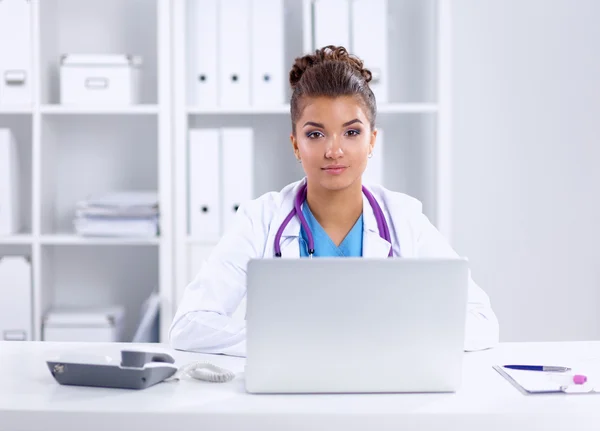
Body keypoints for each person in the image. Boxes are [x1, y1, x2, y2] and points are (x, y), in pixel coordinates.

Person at [170, 45, 499, 356]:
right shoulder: (260, 219)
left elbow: (482, 322)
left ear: (372, 140)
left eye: (352, 132)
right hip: (287, 398)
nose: (334, 150)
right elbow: (188, 325)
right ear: (296, 145)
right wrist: (292, 343)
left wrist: (393, 337)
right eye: (315, 134)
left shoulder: (404, 219)